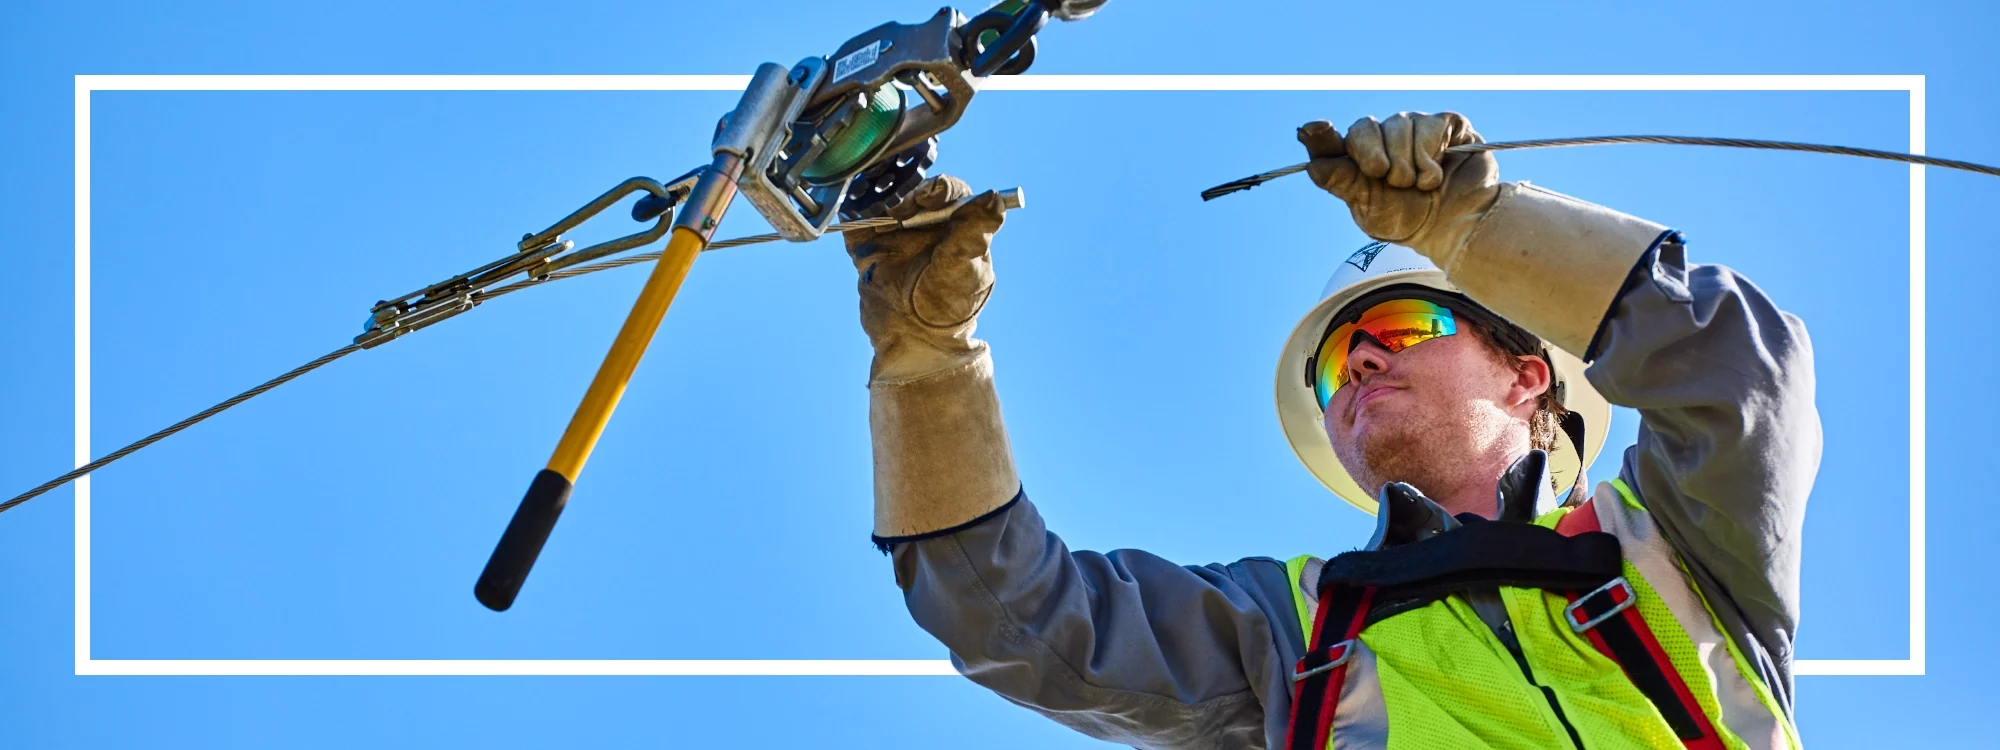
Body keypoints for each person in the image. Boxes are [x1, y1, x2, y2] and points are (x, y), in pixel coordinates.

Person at [843, 111, 1818, 749]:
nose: (1354, 363)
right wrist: (928, 361)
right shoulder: (1292, 627)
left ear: (1529, 375)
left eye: (1397, 328)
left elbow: (1740, 369)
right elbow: (1011, 618)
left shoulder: (1674, 546)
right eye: (1330, 362)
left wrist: (1474, 226)